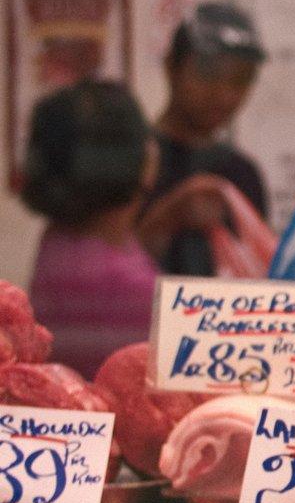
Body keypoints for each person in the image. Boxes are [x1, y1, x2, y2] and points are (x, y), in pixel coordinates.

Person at [21, 80, 234, 374]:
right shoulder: (143, 299)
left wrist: (164, 218)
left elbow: (115, 250)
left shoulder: (55, 242)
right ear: (146, 161)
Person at [148, 1, 269, 277]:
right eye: (209, 73)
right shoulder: (133, 159)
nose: (224, 93)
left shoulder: (242, 174)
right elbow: (102, 273)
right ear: (171, 67)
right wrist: (167, 219)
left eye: (241, 79)